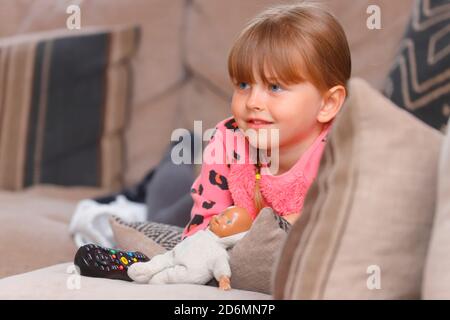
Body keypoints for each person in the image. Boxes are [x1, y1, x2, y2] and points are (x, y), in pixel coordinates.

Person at [182, 2, 351, 239]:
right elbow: (199, 236)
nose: (253, 102)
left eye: (275, 87)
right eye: (243, 85)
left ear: (328, 104)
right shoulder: (227, 142)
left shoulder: (340, 153)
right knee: (169, 191)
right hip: (192, 187)